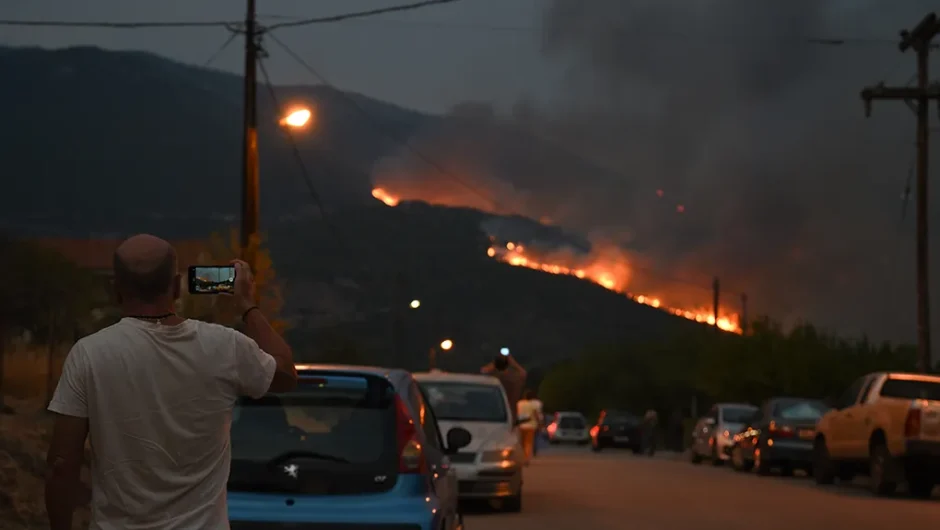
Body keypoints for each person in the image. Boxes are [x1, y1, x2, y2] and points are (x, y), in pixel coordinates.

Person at [44, 234, 298, 530]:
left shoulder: (88, 354)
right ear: (176, 286)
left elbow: (61, 465)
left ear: (116, 290)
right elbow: (286, 374)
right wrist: (247, 306)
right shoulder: (224, 346)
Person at [480, 353, 526, 421]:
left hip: (492, 415)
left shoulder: (493, 380)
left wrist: (494, 363)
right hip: (511, 416)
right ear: (508, 365)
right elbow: (523, 373)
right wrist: (513, 362)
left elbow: (483, 371)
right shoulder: (514, 380)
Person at [515, 390, 543, 465]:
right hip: (531, 426)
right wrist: (539, 423)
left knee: (522, 443)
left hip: (521, 425)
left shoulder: (519, 404)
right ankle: (526, 459)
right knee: (528, 443)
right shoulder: (532, 405)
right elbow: (536, 415)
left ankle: (521, 457)